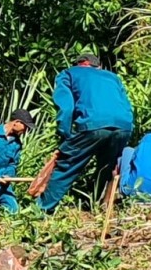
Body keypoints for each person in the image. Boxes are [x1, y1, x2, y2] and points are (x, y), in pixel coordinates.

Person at [38, 54, 135, 213]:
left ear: (79, 65)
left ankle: (42, 211)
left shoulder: (69, 73)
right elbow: (126, 105)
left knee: (67, 165)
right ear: (99, 66)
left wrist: (65, 133)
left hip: (93, 124)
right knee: (106, 166)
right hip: (123, 126)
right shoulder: (113, 77)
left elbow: (66, 107)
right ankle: (94, 204)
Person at [118, 127, 151, 203]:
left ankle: (122, 185)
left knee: (128, 150)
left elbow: (135, 157)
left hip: (131, 189)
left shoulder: (148, 137)